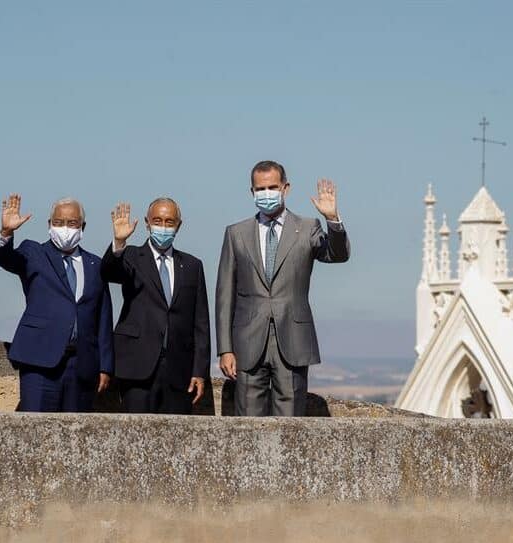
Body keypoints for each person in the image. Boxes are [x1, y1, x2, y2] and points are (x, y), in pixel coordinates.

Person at [216, 160, 350, 416]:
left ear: (285, 188)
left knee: (290, 425)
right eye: (260, 189)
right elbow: (224, 295)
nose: (266, 193)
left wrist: (332, 219)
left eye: (272, 187)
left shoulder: (308, 228)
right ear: (252, 192)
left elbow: (337, 255)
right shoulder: (236, 233)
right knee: (247, 426)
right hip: (247, 342)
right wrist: (225, 348)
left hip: (293, 340)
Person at [0, 194, 113, 412]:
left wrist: (105, 366)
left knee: (77, 430)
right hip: (39, 361)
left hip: (81, 365)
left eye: (71, 223)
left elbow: (103, 318)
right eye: (58, 222)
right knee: (36, 427)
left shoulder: (95, 265)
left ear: (82, 226)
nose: (64, 228)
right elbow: (4, 257)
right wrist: (6, 232)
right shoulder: (33, 253)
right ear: (49, 224)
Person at [100, 198, 210, 414]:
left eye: (169, 222)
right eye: (157, 220)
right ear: (147, 223)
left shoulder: (192, 265)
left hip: (179, 370)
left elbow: (201, 322)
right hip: (137, 366)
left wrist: (200, 370)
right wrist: (119, 242)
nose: (163, 226)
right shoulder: (131, 256)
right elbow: (109, 271)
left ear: (178, 225)